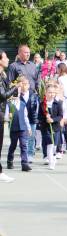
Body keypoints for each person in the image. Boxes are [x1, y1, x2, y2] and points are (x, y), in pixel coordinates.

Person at [5, 78, 32, 172]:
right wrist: (9, 116)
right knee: (13, 145)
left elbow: (25, 117)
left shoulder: (23, 104)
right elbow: (6, 118)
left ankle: (24, 163)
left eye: (18, 92)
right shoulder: (9, 104)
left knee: (24, 145)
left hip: (23, 127)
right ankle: (9, 161)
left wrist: (28, 127)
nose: (16, 94)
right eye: (15, 92)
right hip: (14, 128)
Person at [0, 50, 17, 182]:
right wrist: (16, 88)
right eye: (5, 57)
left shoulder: (3, 74)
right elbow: (3, 95)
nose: (7, 60)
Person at [38, 84, 63, 170]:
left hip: (55, 127)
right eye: (49, 92)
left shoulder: (58, 103)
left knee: (54, 146)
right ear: (46, 93)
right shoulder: (42, 104)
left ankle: (53, 157)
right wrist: (45, 119)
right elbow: (39, 117)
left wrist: (53, 120)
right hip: (45, 128)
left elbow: (60, 116)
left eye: (53, 92)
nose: (51, 94)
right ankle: (51, 162)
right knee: (50, 144)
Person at [18, 76, 39, 163]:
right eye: (22, 84)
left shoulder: (33, 95)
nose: (24, 86)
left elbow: (36, 107)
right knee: (23, 138)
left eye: (26, 84)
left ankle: (30, 154)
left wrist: (36, 117)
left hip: (32, 118)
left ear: (29, 85)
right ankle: (24, 154)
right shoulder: (18, 95)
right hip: (21, 120)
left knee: (31, 137)